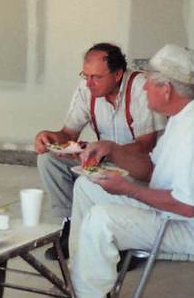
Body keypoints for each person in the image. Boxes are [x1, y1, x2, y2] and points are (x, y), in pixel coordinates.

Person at [37, 44, 194, 298]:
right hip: (186, 215)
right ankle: (84, 287)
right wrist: (112, 149)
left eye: (149, 82)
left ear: (166, 89)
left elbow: (186, 206)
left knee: (102, 219)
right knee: (87, 186)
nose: (144, 88)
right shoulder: (188, 114)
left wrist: (127, 189)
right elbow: (152, 169)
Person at [33, 43, 163, 260]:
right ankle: (71, 223)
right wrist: (50, 137)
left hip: (140, 166)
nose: (89, 83)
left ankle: (123, 238)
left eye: (96, 77)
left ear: (118, 74)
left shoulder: (140, 88)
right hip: (103, 159)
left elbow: (145, 145)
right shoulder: (87, 89)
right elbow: (68, 133)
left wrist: (106, 151)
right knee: (48, 160)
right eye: (85, 75)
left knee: (97, 177)